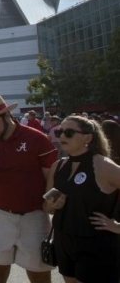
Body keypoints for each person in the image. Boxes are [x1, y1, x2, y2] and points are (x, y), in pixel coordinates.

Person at [0, 95, 57, 283]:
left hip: (34, 216)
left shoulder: (37, 139)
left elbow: (51, 176)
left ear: (7, 115)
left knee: (40, 275)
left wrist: (50, 205)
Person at [43, 116, 120, 283]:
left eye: (69, 132)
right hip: (63, 240)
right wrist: (52, 205)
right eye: (60, 132)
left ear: (88, 138)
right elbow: (47, 208)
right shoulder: (58, 166)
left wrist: (118, 226)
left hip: (95, 244)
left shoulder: (102, 165)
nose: (62, 136)